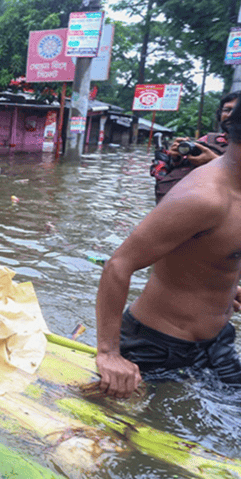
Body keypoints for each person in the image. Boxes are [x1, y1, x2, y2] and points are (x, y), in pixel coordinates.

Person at [95, 102, 241, 399]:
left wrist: (229, 283)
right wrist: (109, 353)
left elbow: (219, 250)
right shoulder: (204, 197)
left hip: (218, 340)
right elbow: (119, 265)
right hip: (157, 347)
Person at [152, 92, 238, 204]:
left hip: (216, 212)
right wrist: (175, 157)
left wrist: (214, 161)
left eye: (237, 111)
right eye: (227, 110)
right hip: (173, 205)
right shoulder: (208, 139)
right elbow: (178, 167)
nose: (231, 115)